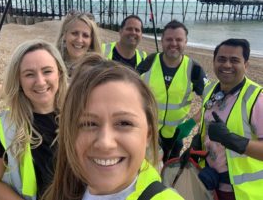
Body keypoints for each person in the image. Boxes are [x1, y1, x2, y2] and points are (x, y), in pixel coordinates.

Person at [42, 53, 184, 200]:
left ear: (148, 134)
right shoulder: (66, 190)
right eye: (89, 124)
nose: (105, 143)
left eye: (124, 123)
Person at [0, 40, 68, 199]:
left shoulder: (80, 116)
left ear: (60, 74)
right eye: (29, 74)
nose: (40, 82)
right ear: (18, 80)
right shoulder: (6, 127)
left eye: (47, 71)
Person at [0, 12, 102, 96]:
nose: (79, 40)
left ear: (91, 40)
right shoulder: (49, 61)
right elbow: (22, 93)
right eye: (74, 33)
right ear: (64, 36)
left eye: (85, 35)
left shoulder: (98, 70)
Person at [197, 38, 263, 200]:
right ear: (213, 62)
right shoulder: (210, 89)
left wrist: (231, 140)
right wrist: (196, 144)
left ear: (246, 65)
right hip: (211, 181)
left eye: (234, 60)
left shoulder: (256, 99)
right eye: (221, 59)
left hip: (243, 191)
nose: (226, 65)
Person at [137, 20, 208, 162]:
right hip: (148, 132)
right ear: (162, 41)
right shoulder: (149, 62)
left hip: (176, 134)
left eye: (179, 40)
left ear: (186, 42)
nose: (173, 43)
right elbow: (128, 90)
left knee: (169, 171)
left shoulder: (194, 69)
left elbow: (210, 101)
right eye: (169, 39)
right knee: (147, 170)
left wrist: (191, 124)